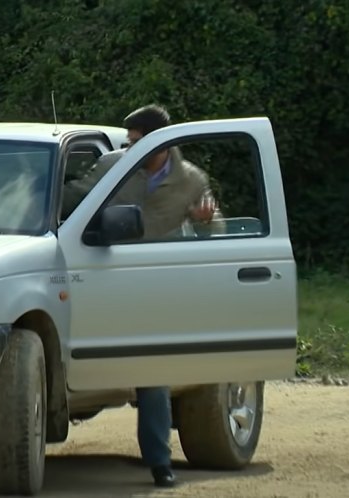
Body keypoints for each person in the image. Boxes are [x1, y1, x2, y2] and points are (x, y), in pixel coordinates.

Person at [62, 104, 223, 488]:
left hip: (158, 283)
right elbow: (76, 199)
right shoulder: (113, 167)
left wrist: (206, 220)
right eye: (129, 141)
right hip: (108, 273)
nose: (130, 148)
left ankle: (159, 462)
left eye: (139, 142)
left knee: (152, 374)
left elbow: (216, 230)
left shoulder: (191, 180)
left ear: (161, 143)